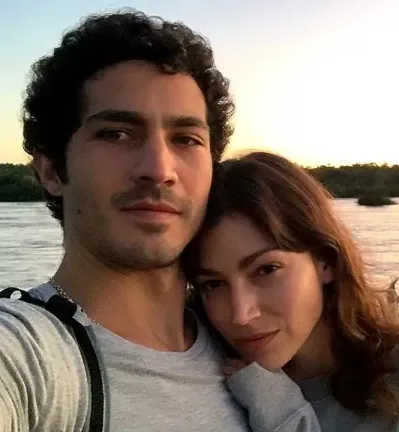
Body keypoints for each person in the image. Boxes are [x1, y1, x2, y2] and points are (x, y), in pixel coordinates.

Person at [0, 10, 316, 432]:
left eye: (186, 139)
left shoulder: (246, 341)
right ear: (53, 170)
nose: (159, 169)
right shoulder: (28, 356)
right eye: (116, 133)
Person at [185, 151, 399, 431]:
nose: (241, 314)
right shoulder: (207, 394)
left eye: (266, 270)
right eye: (213, 284)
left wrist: (282, 414)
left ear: (325, 260)